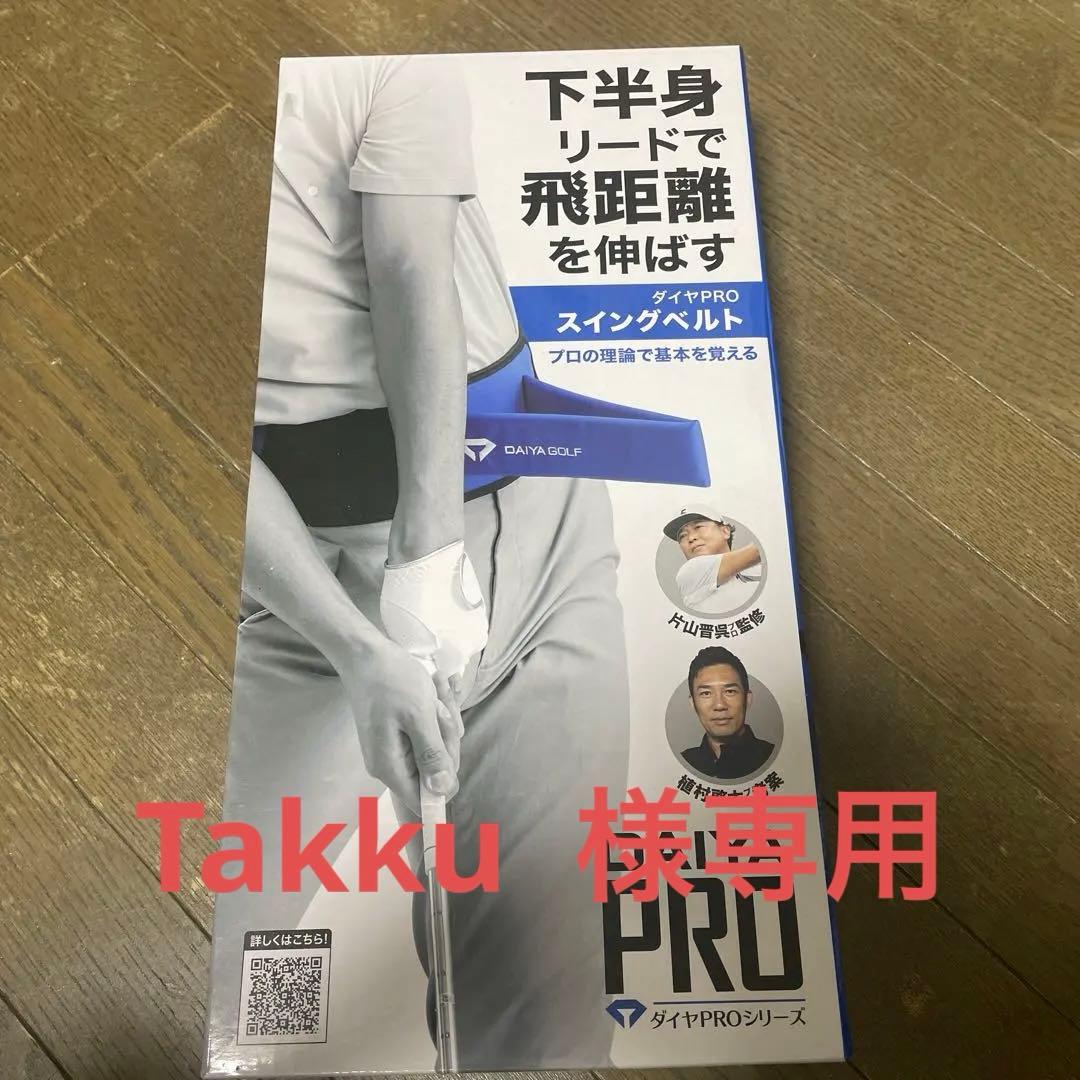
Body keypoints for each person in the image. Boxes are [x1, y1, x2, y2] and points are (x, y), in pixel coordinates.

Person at [207, 55, 629, 1070]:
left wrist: (427, 563)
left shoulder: (380, 61)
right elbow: (177, 427)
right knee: (222, 968)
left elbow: (409, 271)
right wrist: (357, 648)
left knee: (532, 1021)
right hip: (287, 564)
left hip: (510, 515)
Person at [681, 646, 774, 780]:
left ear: (747, 699)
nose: (719, 705)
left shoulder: (774, 757)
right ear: (693, 703)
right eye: (706, 693)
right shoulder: (682, 764)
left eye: (730, 691)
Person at [663, 503, 762, 615]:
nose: (691, 538)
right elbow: (760, 550)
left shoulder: (758, 569)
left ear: (725, 531)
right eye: (682, 536)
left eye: (698, 527)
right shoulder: (689, 572)